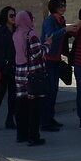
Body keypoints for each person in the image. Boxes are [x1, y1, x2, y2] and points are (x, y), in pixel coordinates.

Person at [40, 0, 78, 131]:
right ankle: (45, 122)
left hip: (56, 59)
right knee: (50, 91)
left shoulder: (61, 20)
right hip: (49, 59)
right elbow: (50, 35)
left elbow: (61, 36)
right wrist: (65, 30)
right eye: (60, 5)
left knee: (54, 90)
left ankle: (50, 118)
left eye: (64, 5)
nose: (63, 8)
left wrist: (69, 32)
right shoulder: (50, 21)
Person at [13, 10, 50, 146]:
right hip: (33, 74)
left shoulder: (16, 34)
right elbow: (38, 54)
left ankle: (21, 134)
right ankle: (33, 136)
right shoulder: (31, 35)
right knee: (34, 107)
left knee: (21, 105)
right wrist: (47, 45)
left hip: (19, 72)